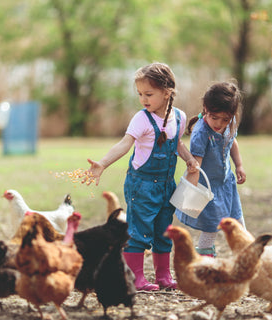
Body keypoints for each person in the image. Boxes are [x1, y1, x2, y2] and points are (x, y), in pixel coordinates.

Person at [85, 62, 199, 291]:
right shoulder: (141, 119)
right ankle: (135, 277)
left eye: (149, 94)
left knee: (164, 230)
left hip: (167, 185)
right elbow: (125, 144)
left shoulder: (179, 117)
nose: (143, 99)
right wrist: (103, 163)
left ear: (167, 92)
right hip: (142, 185)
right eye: (140, 94)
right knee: (139, 231)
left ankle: (163, 276)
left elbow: (177, 144)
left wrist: (189, 159)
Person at [177, 81, 246, 257]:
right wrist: (190, 194)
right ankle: (204, 258)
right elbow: (195, 166)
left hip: (226, 183)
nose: (219, 123)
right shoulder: (201, 133)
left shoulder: (230, 123)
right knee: (212, 227)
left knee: (237, 219)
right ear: (205, 109)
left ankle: (245, 253)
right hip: (208, 188)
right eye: (215, 118)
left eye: (225, 119)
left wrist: (238, 165)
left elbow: (232, 142)